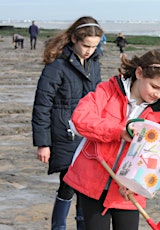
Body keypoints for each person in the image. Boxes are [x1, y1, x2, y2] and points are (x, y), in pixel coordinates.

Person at [63, 49, 160, 230]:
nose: (158, 94)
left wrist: (137, 184)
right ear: (139, 73)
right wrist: (119, 131)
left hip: (129, 189)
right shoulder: (107, 90)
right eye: (155, 87)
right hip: (93, 181)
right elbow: (80, 120)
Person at [31, 16, 104, 230]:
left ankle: (80, 225)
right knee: (69, 183)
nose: (89, 50)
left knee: (84, 184)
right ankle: (59, 226)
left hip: (87, 134)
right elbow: (42, 104)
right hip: (64, 133)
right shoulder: (57, 65)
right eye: (86, 45)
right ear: (74, 39)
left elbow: (98, 97)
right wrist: (43, 143)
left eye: (94, 46)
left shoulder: (94, 64)